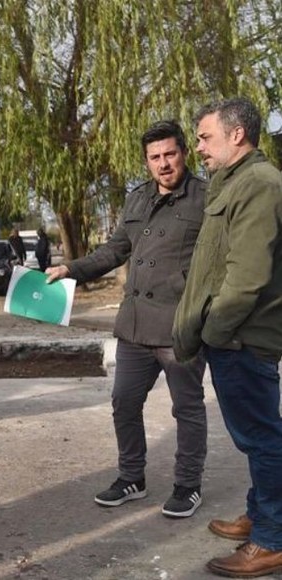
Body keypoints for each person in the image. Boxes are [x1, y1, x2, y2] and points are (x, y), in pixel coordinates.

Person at [46, 119, 208, 518]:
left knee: (186, 408)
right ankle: (132, 477)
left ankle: (188, 486)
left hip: (178, 327)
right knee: (124, 402)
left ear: (184, 153)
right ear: (147, 161)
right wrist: (72, 269)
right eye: (155, 157)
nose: (164, 164)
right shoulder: (137, 199)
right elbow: (115, 250)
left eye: (170, 154)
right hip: (135, 327)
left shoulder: (206, 197)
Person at [172, 98, 282, 578]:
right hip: (235, 339)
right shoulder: (236, 182)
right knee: (259, 437)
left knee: (263, 439)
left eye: (204, 136)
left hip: (241, 339)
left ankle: (272, 539)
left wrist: (214, 333)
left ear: (237, 135)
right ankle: (262, 516)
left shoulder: (258, 184)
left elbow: (245, 276)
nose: (197, 147)